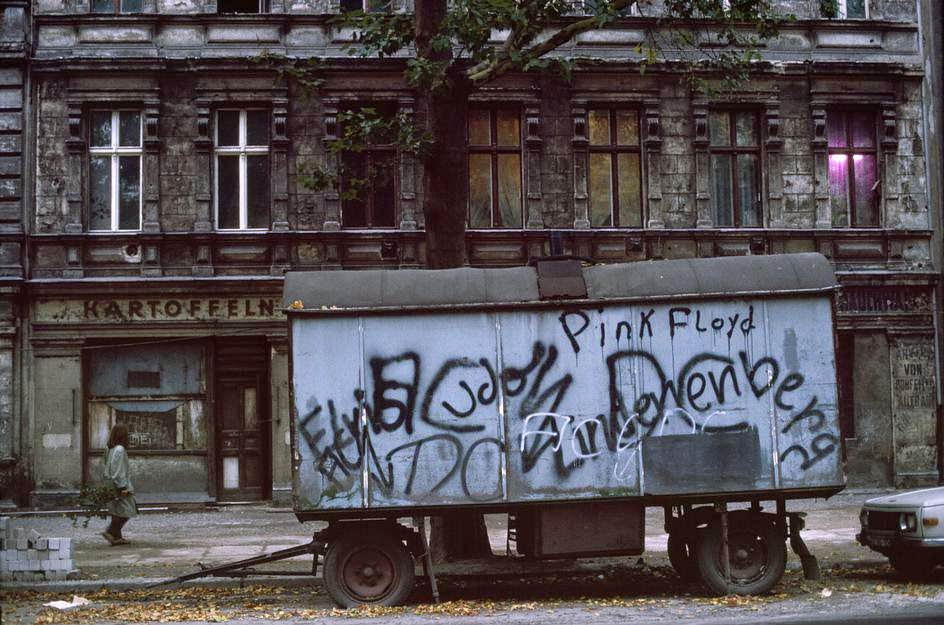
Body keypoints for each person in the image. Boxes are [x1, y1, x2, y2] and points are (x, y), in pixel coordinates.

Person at [101, 423, 137, 546]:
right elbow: (118, 470)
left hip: (109, 483)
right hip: (119, 485)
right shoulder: (120, 450)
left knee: (116, 510)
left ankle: (117, 537)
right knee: (128, 510)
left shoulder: (109, 448)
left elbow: (105, 465)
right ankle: (110, 531)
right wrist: (122, 487)